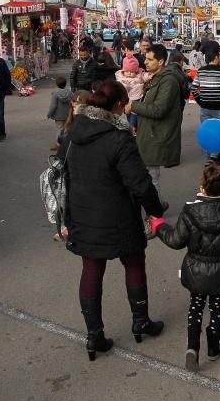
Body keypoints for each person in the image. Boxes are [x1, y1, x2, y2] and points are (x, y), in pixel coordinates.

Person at [62, 81, 166, 361]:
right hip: (118, 214)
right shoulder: (119, 137)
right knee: (133, 262)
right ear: (119, 105)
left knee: (91, 268)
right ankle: (140, 321)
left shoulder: (73, 132)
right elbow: (140, 183)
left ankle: (94, 335)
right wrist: (155, 210)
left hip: (83, 212)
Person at [151, 164, 220, 371]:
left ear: (202, 187)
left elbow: (175, 240)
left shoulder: (189, 212)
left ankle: (192, 348)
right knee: (217, 307)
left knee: (195, 307)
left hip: (195, 269)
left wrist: (159, 225)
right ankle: (214, 347)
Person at [127, 44, 183, 203]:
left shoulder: (168, 81)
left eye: (150, 59)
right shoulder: (155, 78)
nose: (145, 62)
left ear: (161, 61)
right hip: (148, 134)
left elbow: (159, 110)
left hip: (156, 136)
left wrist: (133, 105)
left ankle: (155, 214)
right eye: (145, 58)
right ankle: (155, 207)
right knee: (148, 175)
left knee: (152, 178)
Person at [192, 45, 220, 161]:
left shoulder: (201, 71)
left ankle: (207, 162)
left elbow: (193, 89)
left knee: (207, 135)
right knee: (219, 135)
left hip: (204, 109)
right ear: (216, 57)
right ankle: (215, 160)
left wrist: (201, 101)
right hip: (218, 109)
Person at [116, 56, 148, 132]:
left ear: (136, 71)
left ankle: (132, 129)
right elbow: (120, 88)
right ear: (123, 71)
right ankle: (131, 128)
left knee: (133, 118)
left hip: (136, 99)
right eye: (127, 71)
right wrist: (126, 85)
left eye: (132, 72)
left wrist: (149, 76)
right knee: (127, 115)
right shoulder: (121, 78)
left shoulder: (139, 75)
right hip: (126, 101)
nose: (129, 74)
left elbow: (145, 76)